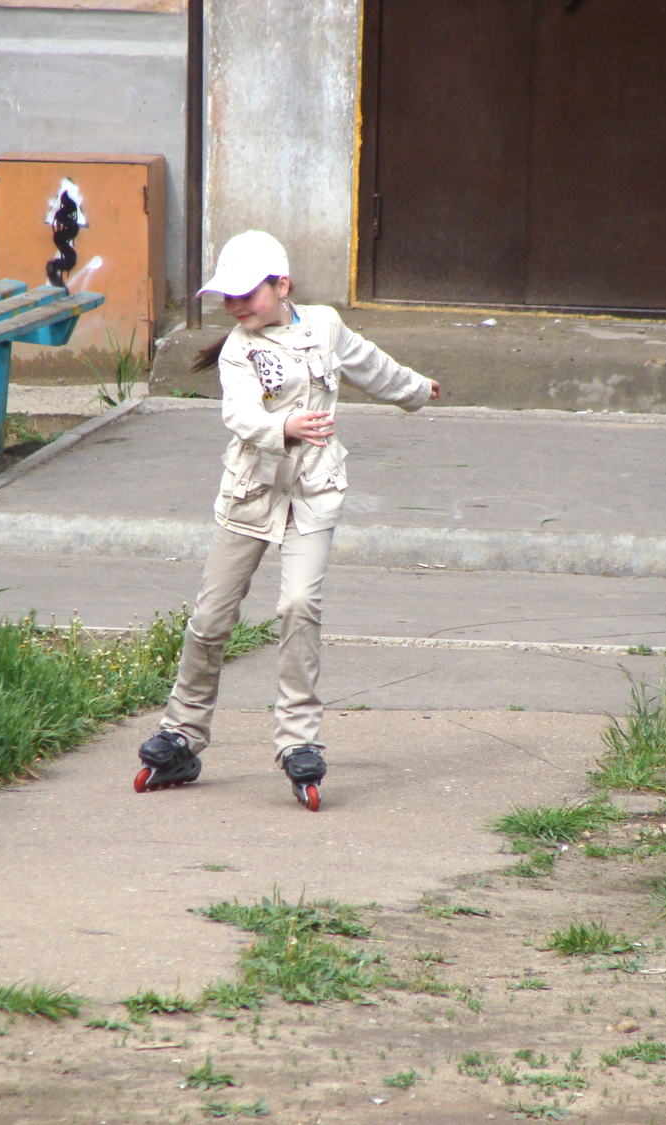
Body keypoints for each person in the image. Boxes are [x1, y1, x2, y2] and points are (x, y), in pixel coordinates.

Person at [134, 230, 441, 812]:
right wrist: (285, 429)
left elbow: (368, 364)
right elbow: (240, 415)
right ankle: (182, 732)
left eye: (245, 294)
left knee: (299, 607)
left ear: (282, 287)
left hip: (314, 495)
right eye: (226, 297)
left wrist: (416, 390)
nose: (234, 307)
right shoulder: (236, 349)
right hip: (250, 495)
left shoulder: (323, 325)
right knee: (210, 617)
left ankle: (298, 744)